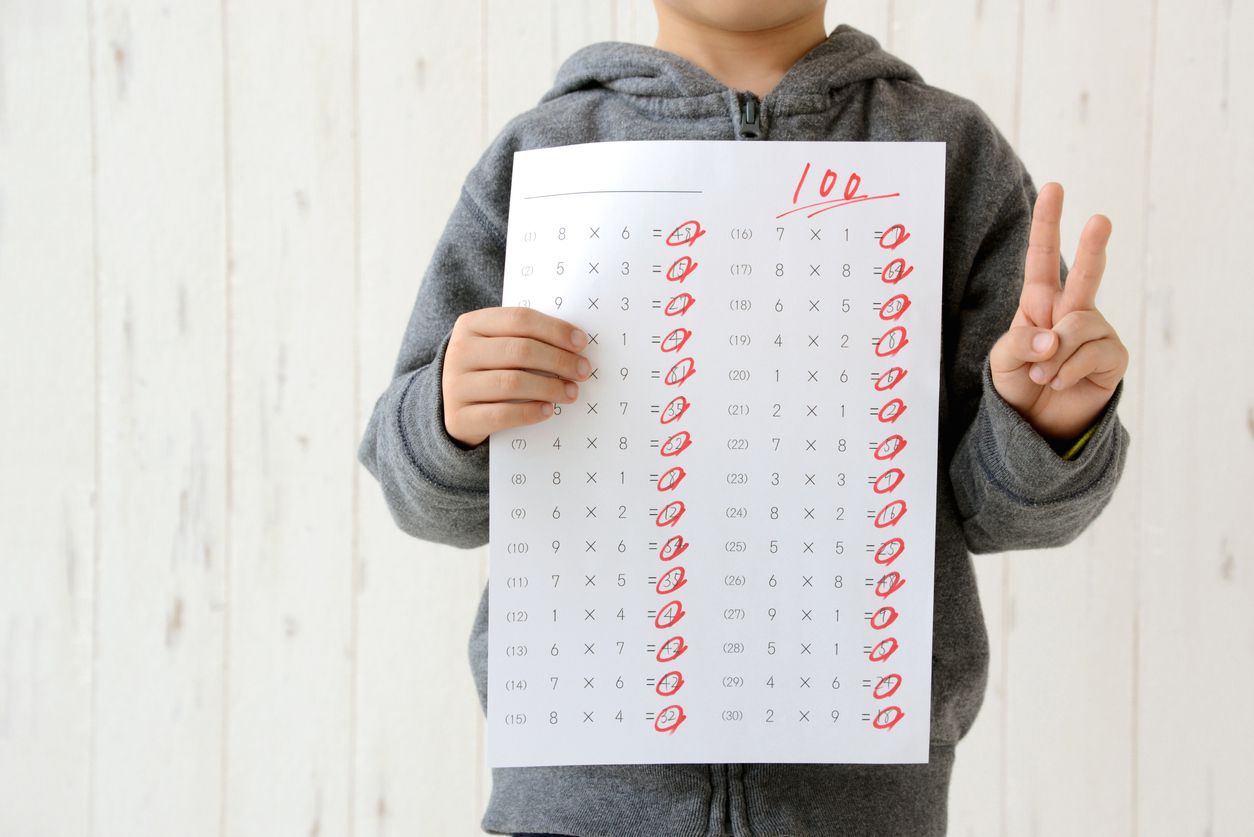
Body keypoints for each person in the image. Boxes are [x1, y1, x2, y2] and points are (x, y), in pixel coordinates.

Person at [356, 1, 1132, 834]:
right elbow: (422, 496)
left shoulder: (953, 152)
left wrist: (1046, 425)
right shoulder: (543, 151)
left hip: (862, 807)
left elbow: (999, 513)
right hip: (577, 803)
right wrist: (447, 413)